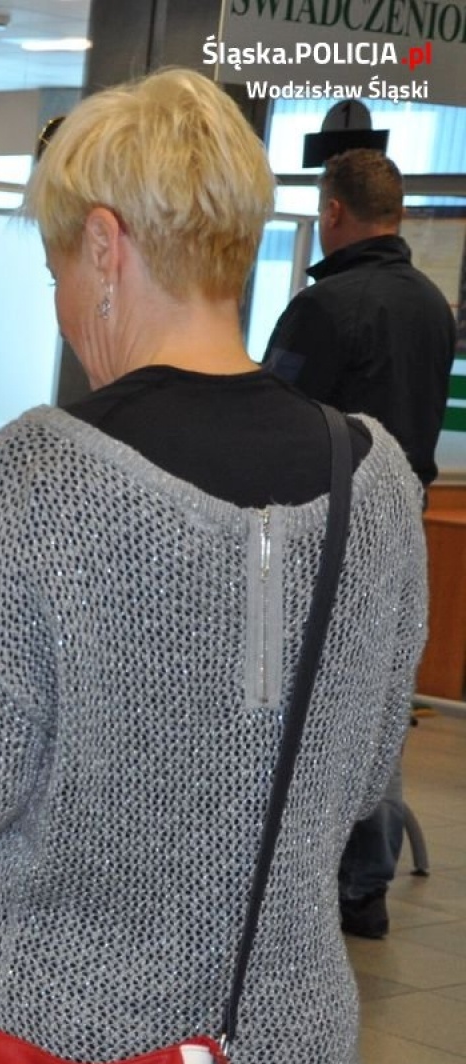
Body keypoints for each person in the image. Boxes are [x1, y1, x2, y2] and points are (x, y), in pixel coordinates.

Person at [0, 69, 425, 1064]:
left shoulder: (43, 467)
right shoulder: (379, 481)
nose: (63, 299)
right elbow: (361, 778)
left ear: (105, 247)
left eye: (59, 263)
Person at [264, 148, 457, 939]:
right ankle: (363, 885)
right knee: (375, 696)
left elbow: (274, 416)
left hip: (321, 527)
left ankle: (291, 870)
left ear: (333, 212)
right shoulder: (433, 306)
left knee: (288, 691)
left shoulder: (324, 307)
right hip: (401, 523)